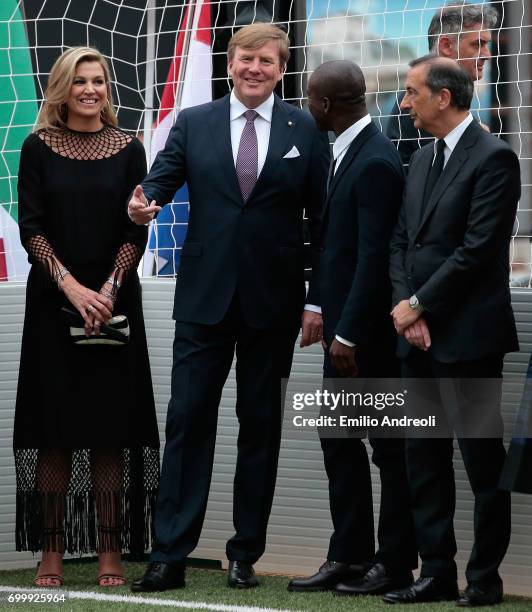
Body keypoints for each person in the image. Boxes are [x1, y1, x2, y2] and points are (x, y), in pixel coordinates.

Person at [128, 23, 329, 592]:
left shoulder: (304, 127)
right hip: (203, 302)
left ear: (280, 68)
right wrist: (145, 205)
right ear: (230, 62)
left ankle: (244, 554)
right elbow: (158, 183)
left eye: (266, 60)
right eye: (246, 58)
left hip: (274, 305)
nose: (254, 68)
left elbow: (324, 220)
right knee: (188, 423)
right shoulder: (195, 123)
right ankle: (169, 554)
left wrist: (316, 300)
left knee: (259, 428)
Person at [14, 47, 160, 588]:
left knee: (110, 430)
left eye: (99, 80)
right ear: (62, 88)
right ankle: (50, 551)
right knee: (55, 430)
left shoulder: (130, 148)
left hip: (116, 301)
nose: (91, 90)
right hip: (54, 303)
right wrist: (74, 289)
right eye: (80, 82)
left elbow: (135, 229)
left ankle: (109, 550)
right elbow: (32, 230)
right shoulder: (37, 147)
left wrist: (108, 291)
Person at [384, 55, 520, 606]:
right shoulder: (418, 160)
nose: (404, 102)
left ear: (444, 97)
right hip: (415, 335)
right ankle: (435, 571)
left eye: (413, 92)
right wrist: (404, 307)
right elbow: (401, 242)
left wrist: (419, 305)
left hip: (468, 338)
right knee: (424, 459)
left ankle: (484, 579)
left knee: (482, 462)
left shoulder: (495, 158)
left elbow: (478, 251)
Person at [286, 60, 417, 597]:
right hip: (342, 330)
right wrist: (319, 305)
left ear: (323, 105)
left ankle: (393, 563)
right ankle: (349, 554)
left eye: (308, 97)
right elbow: (333, 248)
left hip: (365, 342)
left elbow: (372, 259)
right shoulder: (345, 151)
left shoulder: (376, 163)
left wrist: (350, 335)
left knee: (387, 449)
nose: (305, 105)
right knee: (339, 439)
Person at [386, 1, 498, 166]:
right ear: (446, 46)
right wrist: (476, 135)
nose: (487, 55)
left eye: (487, 45)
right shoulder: (421, 102)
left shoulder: (439, 96)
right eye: (478, 44)